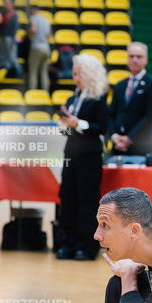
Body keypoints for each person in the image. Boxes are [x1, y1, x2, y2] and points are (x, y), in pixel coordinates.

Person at [56, 53, 109, 261]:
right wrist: (66, 124)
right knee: (68, 198)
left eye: (78, 74)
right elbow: (71, 129)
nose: (75, 78)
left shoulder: (98, 98)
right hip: (71, 154)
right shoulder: (73, 98)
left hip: (89, 156)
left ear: (89, 74)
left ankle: (86, 246)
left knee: (87, 202)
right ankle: (67, 243)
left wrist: (78, 124)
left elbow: (101, 127)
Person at [106, 41, 152, 156]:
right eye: (131, 56)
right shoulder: (120, 85)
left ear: (146, 59)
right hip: (118, 148)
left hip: (141, 148)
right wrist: (115, 136)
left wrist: (130, 138)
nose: (134, 59)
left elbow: (150, 116)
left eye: (139, 56)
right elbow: (111, 114)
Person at [27, 5, 52, 91]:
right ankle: (45, 93)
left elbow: (33, 30)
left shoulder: (33, 18)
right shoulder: (46, 20)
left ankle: (32, 93)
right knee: (44, 72)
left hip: (36, 47)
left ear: (33, 10)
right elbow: (49, 36)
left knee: (33, 72)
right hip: (46, 48)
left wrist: (26, 34)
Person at [0, 0, 22, 79]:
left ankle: (18, 73)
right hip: (4, 37)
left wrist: (13, 40)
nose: (6, 5)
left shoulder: (14, 14)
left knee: (12, 56)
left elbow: (15, 29)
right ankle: (7, 74)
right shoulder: (6, 13)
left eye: (7, 3)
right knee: (5, 57)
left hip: (9, 38)